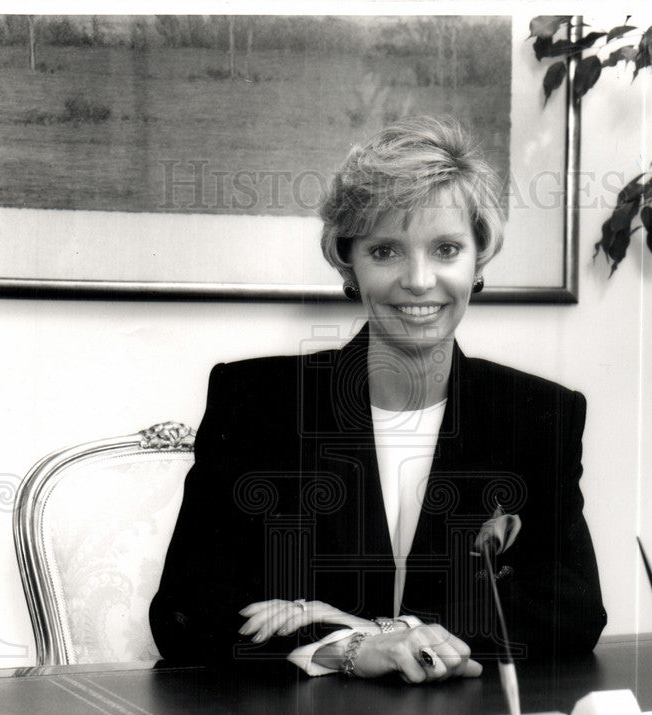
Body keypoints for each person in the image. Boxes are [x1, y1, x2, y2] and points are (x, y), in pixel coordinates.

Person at [150, 116, 606, 682]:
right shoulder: (256, 402)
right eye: (386, 250)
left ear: (477, 260)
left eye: (445, 249)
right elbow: (187, 612)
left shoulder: (539, 415)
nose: (419, 280)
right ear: (350, 263)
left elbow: (571, 611)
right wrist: (346, 648)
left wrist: (380, 633)